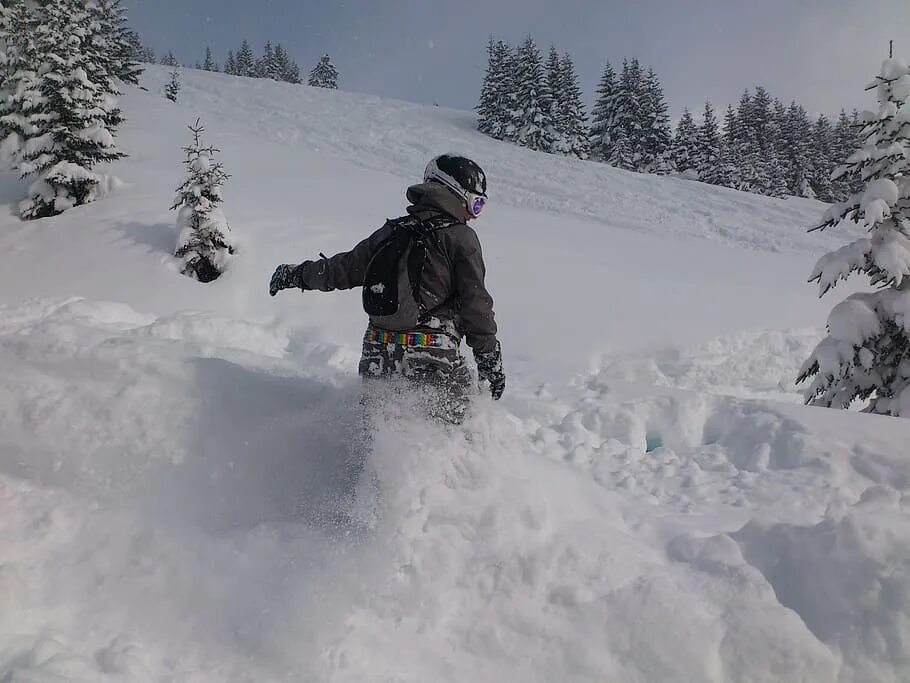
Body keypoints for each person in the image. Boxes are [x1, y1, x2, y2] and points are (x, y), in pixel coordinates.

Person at [269, 154, 505, 425]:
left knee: (378, 427)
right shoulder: (461, 238)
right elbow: (475, 303)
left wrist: (296, 274)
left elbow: (342, 269)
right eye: (475, 204)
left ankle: (371, 465)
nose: (473, 216)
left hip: (378, 349)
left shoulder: (392, 232)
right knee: (458, 429)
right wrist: (488, 356)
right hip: (432, 352)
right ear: (452, 193)